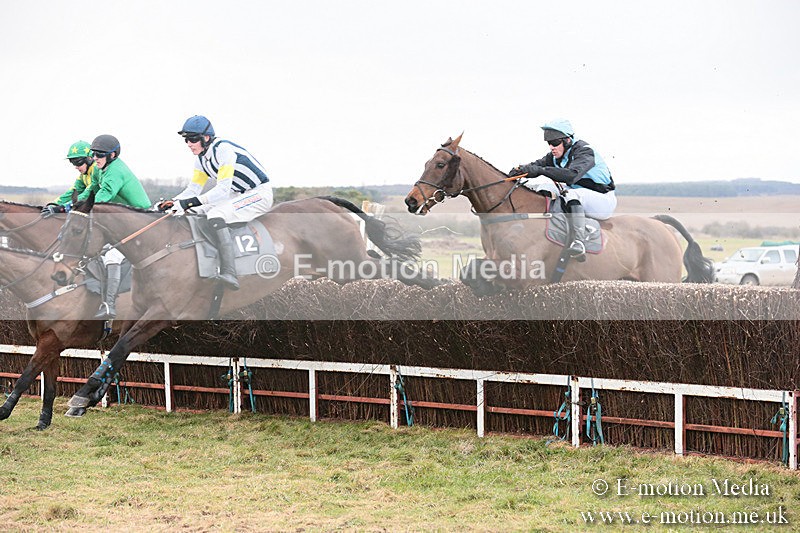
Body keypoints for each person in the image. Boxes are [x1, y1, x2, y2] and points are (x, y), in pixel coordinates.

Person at [158, 115, 274, 291]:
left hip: (259, 194)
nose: (188, 144)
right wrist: (174, 203)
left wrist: (188, 202)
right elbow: (193, 190)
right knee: (193, 211)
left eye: (192, 139)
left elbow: (222, 190)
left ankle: (230, 272)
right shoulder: (201, 158)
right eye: (186, 140)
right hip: (237, 194)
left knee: (215, 214)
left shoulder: (223, 150)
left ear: (206, 138)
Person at [509, 119, 616, 260]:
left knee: (572, 194)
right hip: (581, 196)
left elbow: (571, 176)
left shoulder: (585, 152)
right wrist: (520, 171)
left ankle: (579, 241)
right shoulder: (555, 156)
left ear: (567, 140)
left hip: (603, 201)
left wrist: (540, 170)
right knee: (544, 187)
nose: (551, 147)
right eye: (549, 143)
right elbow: (536, 166)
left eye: (555, 143)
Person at [82, 134, 152, 319]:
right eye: (93, 154)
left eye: (99, 154)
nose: (95, 158)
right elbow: (91, 191)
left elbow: (103, 196)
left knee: (112, 254)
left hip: (140, 218)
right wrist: (69, 207)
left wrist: (82, 209)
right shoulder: (98, 169)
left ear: (112, 155)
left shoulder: (116, 171)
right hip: (120, 218)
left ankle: (109, 304)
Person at [41, 141, 98, 215]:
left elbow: (86, 194)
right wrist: (54, 204)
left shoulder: (97, 171)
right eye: (73, 162)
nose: (76, 167)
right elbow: (72, 192)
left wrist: (63, 207)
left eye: (78, 162)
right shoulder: (83, 175)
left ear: (89, 158)